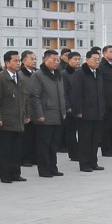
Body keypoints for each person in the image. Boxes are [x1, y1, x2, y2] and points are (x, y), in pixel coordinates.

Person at [0, 51, 30, 183]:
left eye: (19, 61)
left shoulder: (21, 78)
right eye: (15, 61)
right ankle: (5, 175)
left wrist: (26, 115)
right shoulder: (0, 78)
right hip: (5, 121)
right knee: (5, 150)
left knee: (17, 150)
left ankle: (16, 173)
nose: (18, 63)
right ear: (7, 63)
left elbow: (25, 98)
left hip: (18, 120)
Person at [28, 49, 66, 178]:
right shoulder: (38, 75)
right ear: (45, 60)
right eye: (53, 60)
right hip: (45, 116)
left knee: (54, 144)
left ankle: (53, 167)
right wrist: (39, 114)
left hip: (57, 115)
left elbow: (61, 95)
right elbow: (34, 96)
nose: (56, 62)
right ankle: (44, 169)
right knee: (44, 145)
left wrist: (63, 111)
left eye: (58, 60)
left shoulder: (58, 74)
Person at [70, 50, 105, 172]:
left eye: (98, 59)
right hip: (85, 113)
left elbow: (101, 93)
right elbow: (75, 94)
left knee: (95, 140)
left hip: (97, 112)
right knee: (85, 140)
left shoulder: (99, 73)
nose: (97, 61)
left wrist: (102, 109)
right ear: (87, 59)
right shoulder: (80, 73)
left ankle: (93, 162)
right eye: (95, 59)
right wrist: (78, 111)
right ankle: (84, 164)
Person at [19, 50, 38, 167]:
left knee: (35, 137)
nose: (34, 61)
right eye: (32, 59)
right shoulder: (20, 75)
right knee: (26, 137)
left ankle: (34, 157)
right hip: (26, 111)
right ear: (24, 61)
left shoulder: (37, 73)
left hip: (36, 110)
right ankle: (25, 158)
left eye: (35, 59)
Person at [61, 51, 81, 162]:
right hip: (70, 108)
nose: (77, 61)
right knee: (71, 132)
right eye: (75, 59)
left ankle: (79, 151)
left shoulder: (81, 72)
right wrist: (67, 106)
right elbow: (64, 91)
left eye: (79, 59)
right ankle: (73, 153)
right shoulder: (64, 74)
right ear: (69, 61)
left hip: (80, 107)